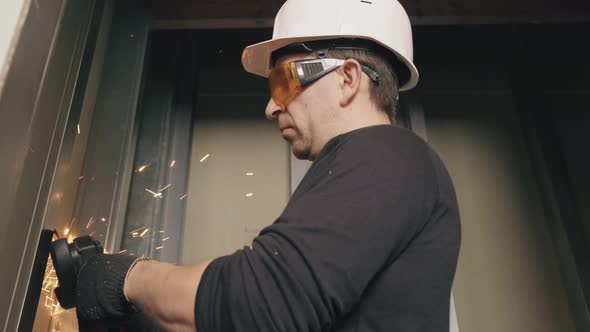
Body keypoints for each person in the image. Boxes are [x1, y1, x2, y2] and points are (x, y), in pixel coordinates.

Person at [74, 0, 461, 331]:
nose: (272, 107)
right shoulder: (381, 170)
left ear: (346, 78)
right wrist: (145, 315)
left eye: (283, 83)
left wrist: (127, 278)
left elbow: (261, 302)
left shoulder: (387, 154)